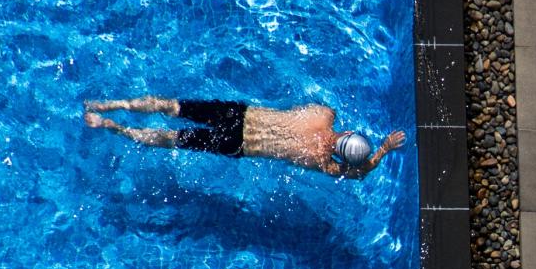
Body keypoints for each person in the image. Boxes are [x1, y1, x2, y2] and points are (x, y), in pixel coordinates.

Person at [83, 96, 406, 178]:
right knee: (172, 139)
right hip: (240, 145)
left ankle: (112, 104)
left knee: (174, 107)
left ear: (347, 132)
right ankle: (112, 126)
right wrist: (384, 150)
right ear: (341, 155)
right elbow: (359, 174)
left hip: (240, 115)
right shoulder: (321, 162)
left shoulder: (324, 114)